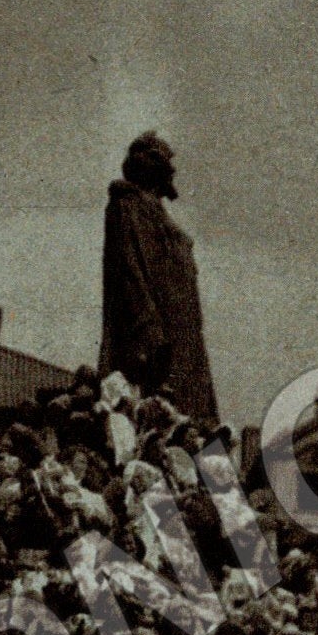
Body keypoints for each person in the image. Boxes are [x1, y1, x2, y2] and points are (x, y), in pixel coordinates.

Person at [98, 132, 220, 423]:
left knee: (196, 412)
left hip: (183, 332)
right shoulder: (128, 205)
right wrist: (147, 326)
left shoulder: (153, 209)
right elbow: (130, 270)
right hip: (158, 335)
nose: (173, 170)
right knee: (164, 409)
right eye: (167, 162)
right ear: (152, 167)